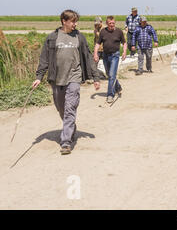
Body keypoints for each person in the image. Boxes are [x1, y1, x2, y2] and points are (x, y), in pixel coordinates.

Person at [32, 10, 100, 155]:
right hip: (57, 79)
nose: (75, 24)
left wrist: (96, 77)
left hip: (74, 77)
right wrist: (39, 77)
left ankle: (66, 142)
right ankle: (71, 127)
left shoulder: (79, 37)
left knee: (70, 108)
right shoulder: (52, 38)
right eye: (72, 21)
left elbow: (88, 57)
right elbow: (44, 59)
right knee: (61, 108)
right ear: (64, 21)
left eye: (76, 21)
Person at [94, 16, 127, 103]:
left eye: (113, 23)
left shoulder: (119, 31)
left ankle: (110, 95)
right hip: (105, 56)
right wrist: (95, 53)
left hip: (115, 56)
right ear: (107, 23)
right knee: (109, 74)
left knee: (112, 75)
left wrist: (124, 52)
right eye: (110, 23)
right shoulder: (103, 32)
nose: (112, 25)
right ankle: (118, 86)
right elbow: (98, 43)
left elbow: (124, 43)